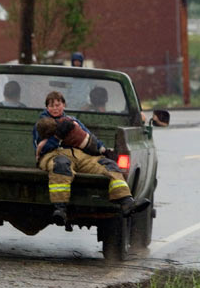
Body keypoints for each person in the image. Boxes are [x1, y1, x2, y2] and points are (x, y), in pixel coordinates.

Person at [32, 91, 149, 226]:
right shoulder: (42, 124)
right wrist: (57, 137)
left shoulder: (73, 121)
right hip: (53, 156)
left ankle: (127, 202)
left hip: (79, 155)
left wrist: (104, 150)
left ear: (64, 105)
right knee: (61, 165)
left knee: (109, 165)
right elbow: (41, 147)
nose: (55, 108)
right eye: (51, 106)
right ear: (47, 107)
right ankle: (60, 209)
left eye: (58, 105)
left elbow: (89, 137)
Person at [35, 116, 104, 161]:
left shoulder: (56, 137)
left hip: (86, 148)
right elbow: (78, 125)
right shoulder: (66, 119)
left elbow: (41, 146)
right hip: (92, 139)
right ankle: (102, 150)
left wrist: (38, 155)